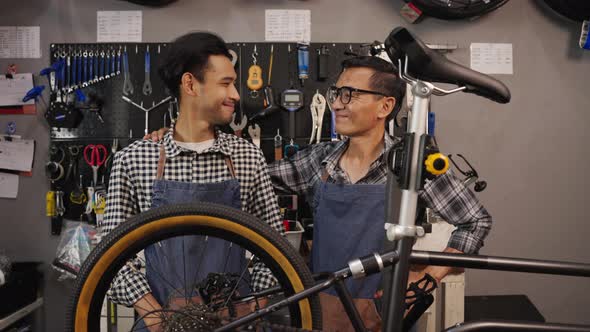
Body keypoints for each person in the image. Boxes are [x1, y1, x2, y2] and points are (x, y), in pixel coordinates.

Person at [146, 55, 492, 331]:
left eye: (349, 95)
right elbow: (247, 177)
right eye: (336, 94)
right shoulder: (319, 161)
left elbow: (476, 222)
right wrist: (180, 139)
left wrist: (428, 277)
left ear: (385, 107)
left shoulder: (413, 165)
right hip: (321, 309)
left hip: (386, 311)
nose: (337, 104)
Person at [102, 31, 284, 331]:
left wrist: (251, 310)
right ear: (190, 85)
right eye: (225, 83)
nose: (236, 95)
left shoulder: (247, 158)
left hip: (234, 323)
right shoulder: (133, 161)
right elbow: (111, 257)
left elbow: (275, 250)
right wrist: (153, 315)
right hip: (161, 323)